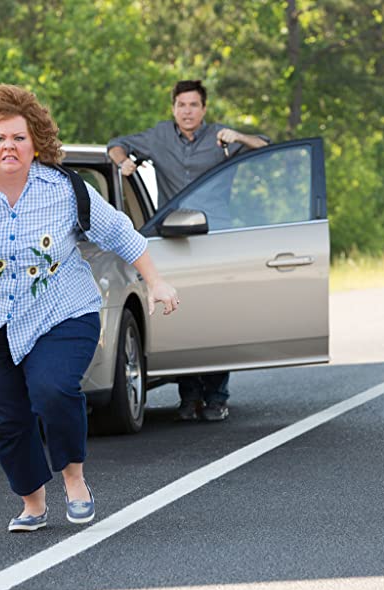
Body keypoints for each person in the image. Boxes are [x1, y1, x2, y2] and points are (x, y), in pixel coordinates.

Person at [0, 84, 178, 532]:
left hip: (62, 311)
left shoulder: (65, 189)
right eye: (0, 139)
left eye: (19, 138)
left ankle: (75, 480)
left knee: (53, 389)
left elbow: (119, 232)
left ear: (37, 145)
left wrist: (157, 281)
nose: (9, 146)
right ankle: (33, 503)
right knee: (7, 421)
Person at [107, 79, 268, 423]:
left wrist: (237, 137)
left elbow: (265, 146)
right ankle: (190, 395)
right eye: (181, 105)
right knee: (182, 315)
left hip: (216, 239)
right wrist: (123, 163)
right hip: (176, 241)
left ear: (204, 109)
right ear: (173, 108)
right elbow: (116, 145)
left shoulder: (220, 137)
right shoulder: (160, 136)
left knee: (218, 317)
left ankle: (216, 396)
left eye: (194, 105)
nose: (187, 111)